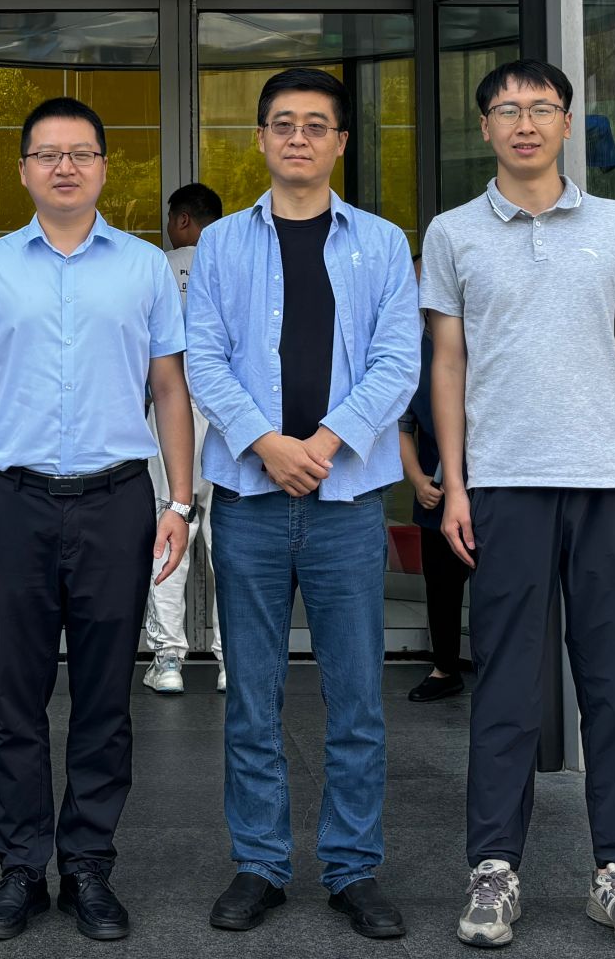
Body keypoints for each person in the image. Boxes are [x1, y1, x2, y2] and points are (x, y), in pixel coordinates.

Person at [423, 59, 615, 953]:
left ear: (568, 123)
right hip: (502, 484)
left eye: (541, 107)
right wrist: (455, 482)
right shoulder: (452, 233)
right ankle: (493, 870)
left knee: (612, 685)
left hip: (606, 483)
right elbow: (446, 362)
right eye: (506, 109)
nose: (524, 122)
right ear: (485, 127)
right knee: (506, 685)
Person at [0, 97, 195, 943]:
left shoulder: (145, 268)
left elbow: (170, 390)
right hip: (12, 502)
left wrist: (179, 502)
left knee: (103, 700)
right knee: (13, 699)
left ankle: (87, 865)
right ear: (22, 170)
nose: (64, 167)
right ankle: (19, 867)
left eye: (81, 153)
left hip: (117, 501)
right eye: (47, 154)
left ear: (104, 168)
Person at [184, 67, 420, 941]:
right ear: (259, 139)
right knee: (252, 699)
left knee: (356, 699)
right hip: (249, 498)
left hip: (346, 501)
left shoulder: (382, 244)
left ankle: (353, 868)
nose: (298, 138)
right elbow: (202, 357)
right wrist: (266, 444)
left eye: (316, 125)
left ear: (341, 143)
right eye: (282, 123)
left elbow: (398, 362)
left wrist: (321, 445)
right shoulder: (221, 245)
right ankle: (261, 864)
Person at [143, 181, 225, 696]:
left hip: (170, 411)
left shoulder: (156, 268)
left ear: (182, 220)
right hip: (229, 415)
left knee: (170, 526)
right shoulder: (235, 264)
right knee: (226, 538)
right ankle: (230, 660)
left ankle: (168, 657)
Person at [399, 260, 472, 703]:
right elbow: (402, 427)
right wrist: (417, 480)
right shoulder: (410, 349)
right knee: (442, 585)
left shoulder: (482, 334)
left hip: (492, 484)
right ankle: (445, 667)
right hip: (436, 490)